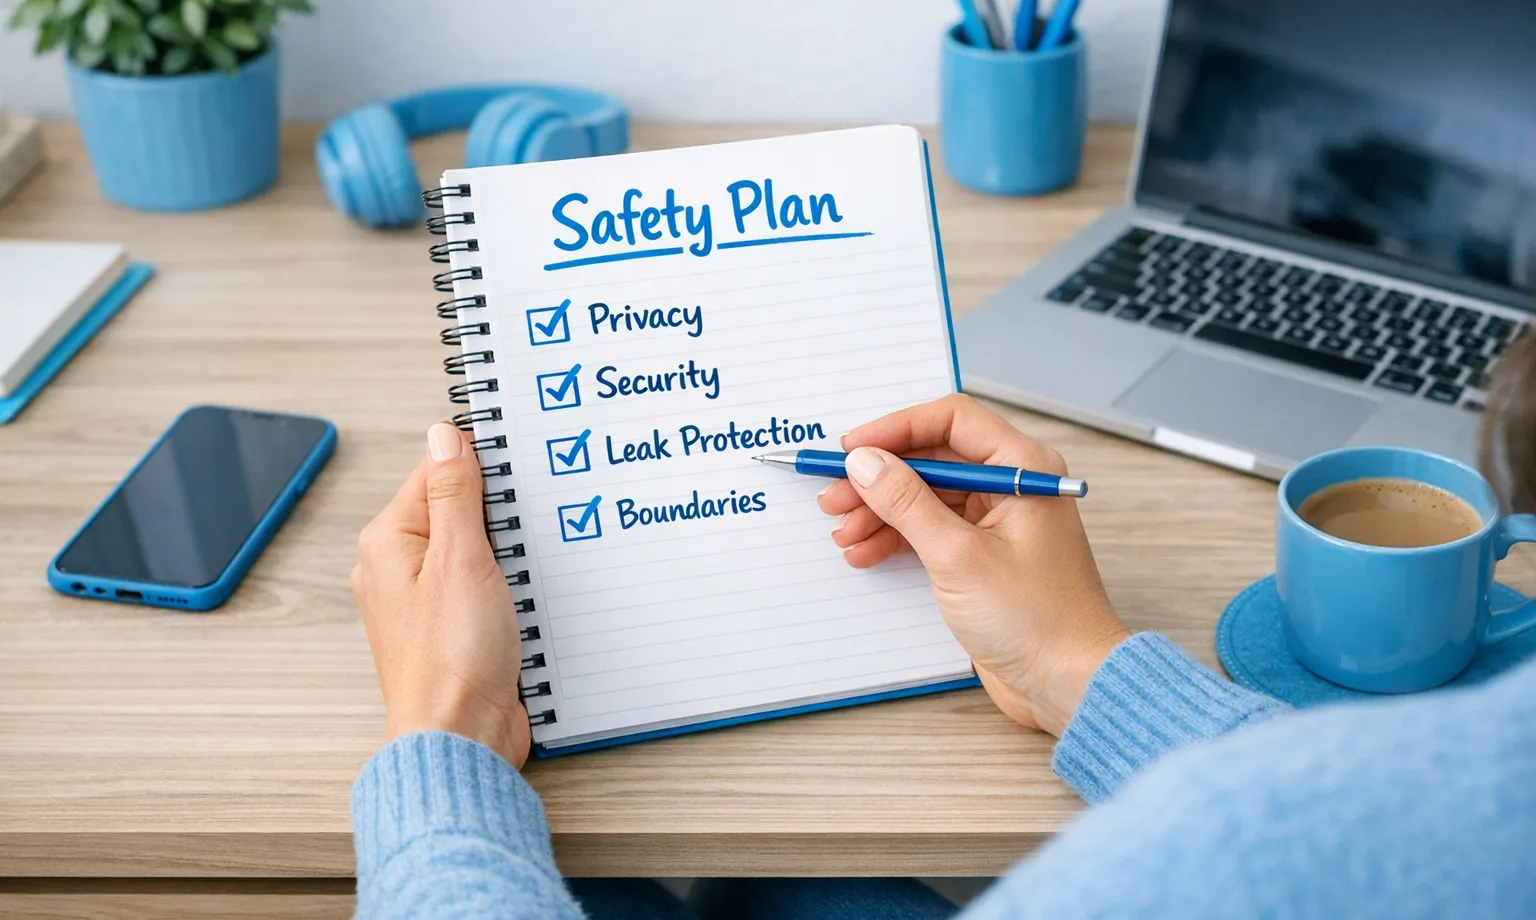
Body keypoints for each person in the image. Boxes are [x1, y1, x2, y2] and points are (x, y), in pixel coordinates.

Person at [348, 333, 1536, 919]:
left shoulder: (1232, 856)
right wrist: (1081, 668)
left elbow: (1309, 841)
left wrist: (441, 742)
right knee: (783, 897)